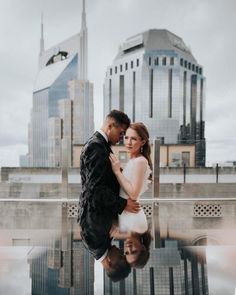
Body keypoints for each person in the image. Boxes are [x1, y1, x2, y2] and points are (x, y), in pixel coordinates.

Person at [78, 110, 140, 282]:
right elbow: (95, 189)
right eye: (121, 133)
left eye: (120, 255)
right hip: (95, 216)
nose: (121, 138)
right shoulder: (96, 147)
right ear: (110, 125)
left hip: (96, 217)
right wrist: (122, 205)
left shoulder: (97, 242)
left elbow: (97, 186)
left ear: (111, 263)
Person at [109, 122, 152, 268]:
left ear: (143, 142)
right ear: (142, 248)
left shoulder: (140, 161)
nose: (128, 142)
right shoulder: (135, 161)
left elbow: (133, 194)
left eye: (133, 139)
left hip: (131, 212)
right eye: (126, 138)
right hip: (131, 213)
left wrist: (116, 171)